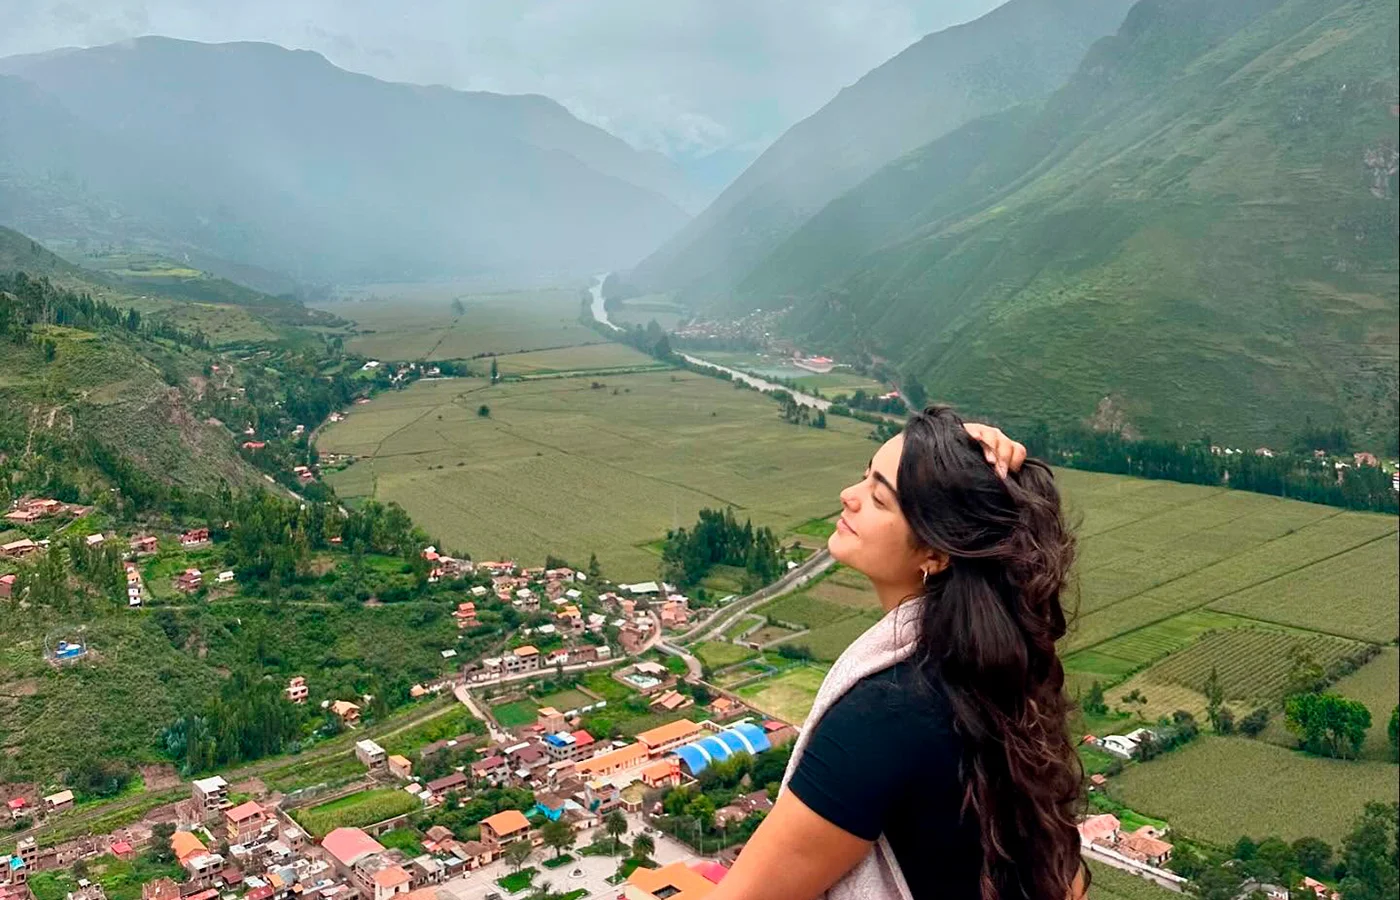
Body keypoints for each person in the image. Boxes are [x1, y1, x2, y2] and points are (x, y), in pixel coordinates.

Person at [708, 406, 1085, 900]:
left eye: (879, 497)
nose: (849, 495)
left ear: (936, 553)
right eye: (865, 475)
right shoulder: (995, 681)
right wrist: (948, 457)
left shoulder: (882, 717)